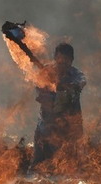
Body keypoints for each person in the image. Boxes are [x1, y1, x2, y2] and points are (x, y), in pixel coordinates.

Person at [32, 42, 86, 170]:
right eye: (60, 59)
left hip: (71, 127)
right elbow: (41, 94)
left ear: (71, 61)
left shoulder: (76, 75)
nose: (63, 63)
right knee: (39, 163)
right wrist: (51, 86)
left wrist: (65, 86)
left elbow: (81, 83)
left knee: (71, 164)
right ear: (55, 58)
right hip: (47, 126)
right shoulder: (45, 73)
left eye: (66, 60)